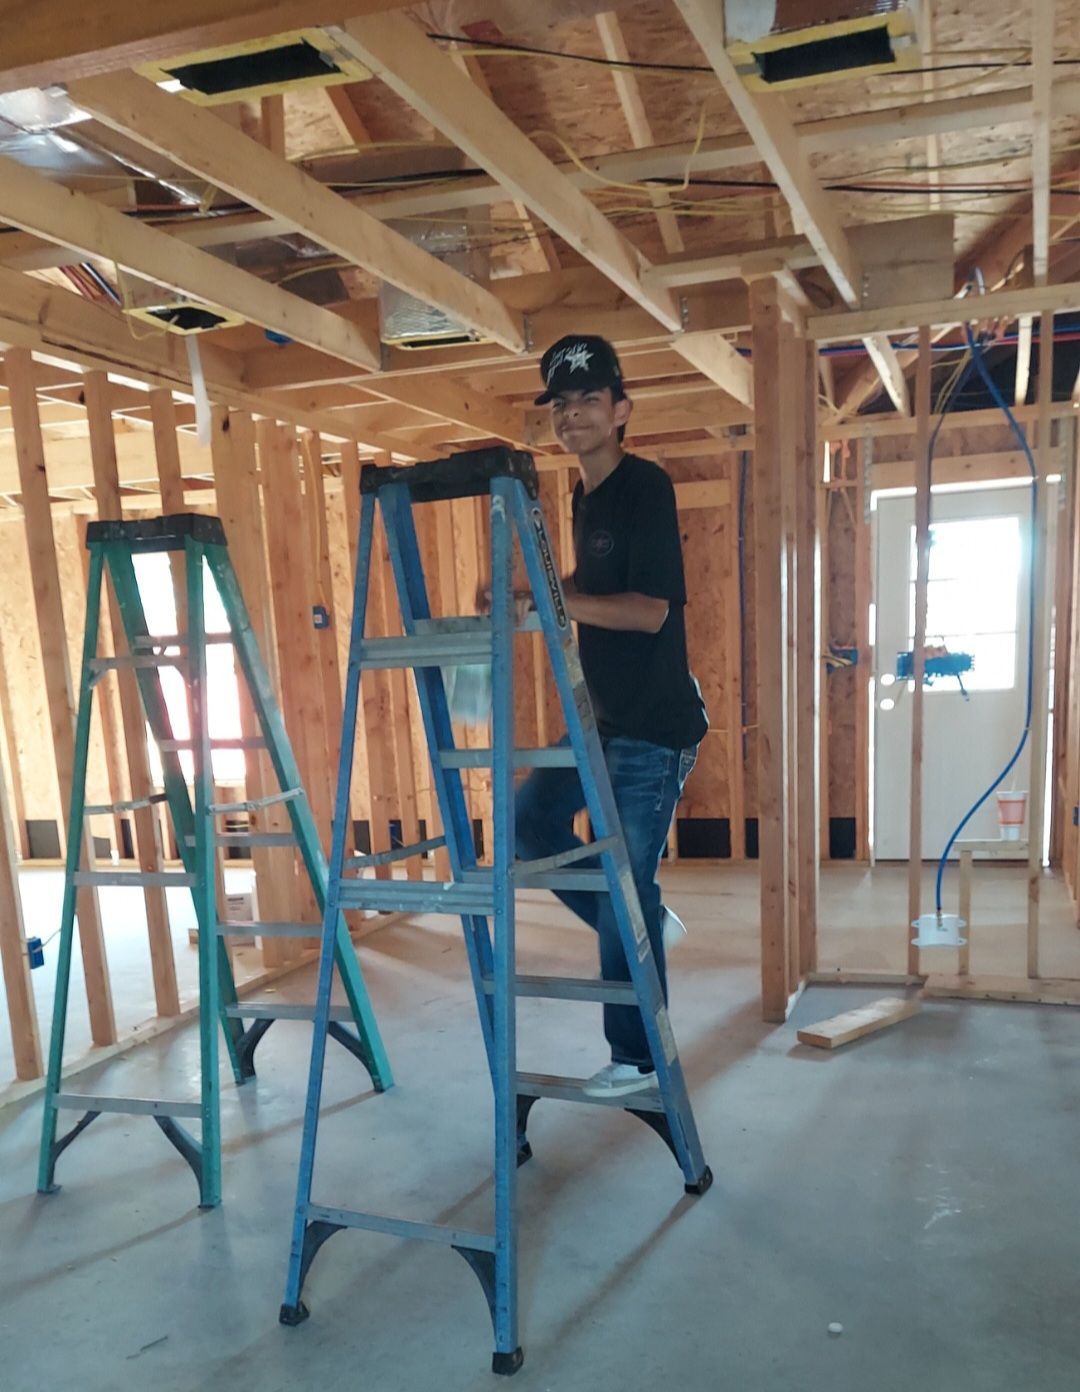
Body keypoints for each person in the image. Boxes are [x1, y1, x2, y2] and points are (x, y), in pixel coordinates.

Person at [514, 334, 708, 1098]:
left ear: (621, 410)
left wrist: (557, 604)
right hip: (602, 719)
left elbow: (649, 611)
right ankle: (640, 927)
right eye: (561, 405)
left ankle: (637, 1059)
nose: (573, 416)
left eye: (589, 400)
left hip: (655, 730)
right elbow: (592, 582)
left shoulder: (646, 487)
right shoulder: (584, 494)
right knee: (532, 825)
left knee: (627, 882)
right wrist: (537, 589)